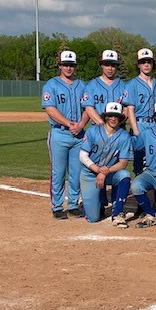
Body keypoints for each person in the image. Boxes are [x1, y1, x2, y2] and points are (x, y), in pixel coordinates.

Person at [41, 50, 88, 219]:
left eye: (71, 65)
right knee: (58, 172)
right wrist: (69, 124)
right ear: (59, 65)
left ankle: (74, 204)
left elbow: (88, 108)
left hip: (79, 135)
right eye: (65, 65)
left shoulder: (82, 85)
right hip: (59, 134)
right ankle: (57, 206)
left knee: (77, 172)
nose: (69, 68)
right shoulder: (51, 85)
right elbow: (50, 109)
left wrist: (81, 124)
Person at [79, 102, 133, 228]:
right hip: (90, 173)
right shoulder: (93, 131)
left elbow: (123, 163)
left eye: (116, 116)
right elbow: (82, 156)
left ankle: (117, 213)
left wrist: (104, 172)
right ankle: (88, 203)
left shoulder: (124, 136)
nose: (113, 119)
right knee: (93, 218)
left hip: (109, 173)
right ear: (105, 117)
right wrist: (98, 170)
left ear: (120, 118)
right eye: (110, 116)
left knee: (125, 175)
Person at [122, 48, 156, 175]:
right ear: (138, 65)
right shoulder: (132, 84)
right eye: (143, 62)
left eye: (149, 61)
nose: (146, 64)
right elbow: (130, 109)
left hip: (155, 125)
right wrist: (136, 130)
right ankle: (139, 192)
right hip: (140, 123)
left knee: (155, 162)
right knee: (139, 165)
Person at [82, 50, 125, 127]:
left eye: (113, 65)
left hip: (119, 128)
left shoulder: (123, 85)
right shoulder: (92, 85)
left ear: (116, 67)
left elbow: (127, 109)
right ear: (101, 65)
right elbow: (89, 108)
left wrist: (116, 124)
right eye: (107, 65)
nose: (110, 68)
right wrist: (103, 125)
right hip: (98, 127)